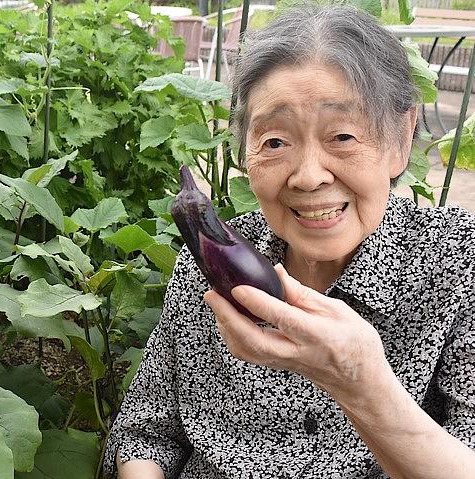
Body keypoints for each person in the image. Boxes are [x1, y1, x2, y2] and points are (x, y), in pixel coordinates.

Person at [103, 4, 475, 478]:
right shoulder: (213, 259)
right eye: (275, 142)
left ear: (400, 140)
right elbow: (147, 430)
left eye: (342, 135)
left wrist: (362, 388)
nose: (308, 176)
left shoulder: (461, 265)